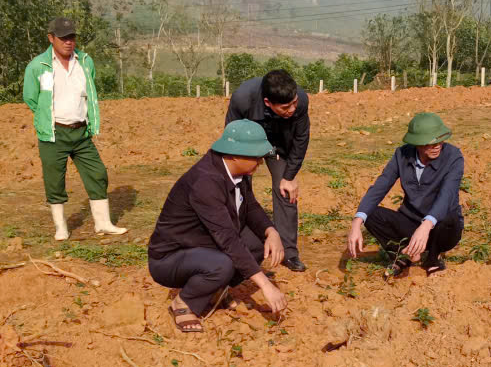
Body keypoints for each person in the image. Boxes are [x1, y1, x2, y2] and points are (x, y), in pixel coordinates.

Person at [148, 120, 286, 332]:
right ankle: (183, 303)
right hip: (171, 257)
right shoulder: (206, 182)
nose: (260, 162)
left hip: (202, 246)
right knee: (222, 264)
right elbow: (228, 239)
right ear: (233, 154)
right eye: (255, 156)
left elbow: (250, 207)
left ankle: (214, 290)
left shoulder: (239, 172)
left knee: (258, 243)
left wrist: (271, 231)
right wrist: (265, 285)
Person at [23, 17, 127, 241]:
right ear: (51, 38)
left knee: (97, 173)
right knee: (55, 180)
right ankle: (61, 227)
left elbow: (89, 92)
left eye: (71, 37)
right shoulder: (37, 66)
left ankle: (103, 223)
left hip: (81, 132)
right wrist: (47, 117)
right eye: (63, 38)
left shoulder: (85, 62)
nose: (68, 42)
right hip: (54, 133)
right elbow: (31, 98)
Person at [346, 112, 464, 276]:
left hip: (441, 228)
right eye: (432, 142)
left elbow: (447, 195)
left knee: (449, 217)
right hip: (410, 223)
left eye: (440, 140)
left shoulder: (453, 156)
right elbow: (380, 186)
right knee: (370, 213)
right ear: (418, 143)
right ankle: (405, 254)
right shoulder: (402, 155)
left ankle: (432, 258)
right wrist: (356, 223)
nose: (438, 145)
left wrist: (426, 225)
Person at [226, 68, 310, 271]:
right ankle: (241, 246)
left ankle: (288, 252)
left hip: (279, 146)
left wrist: (289, 176)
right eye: (285, 107)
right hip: (247, 145)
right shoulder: (242, 99)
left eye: (293, 104)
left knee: (285, 189)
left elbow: (301, 139)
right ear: (267, 103)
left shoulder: (300, 100)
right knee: (240, 192)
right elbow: (232, 136)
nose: (292, 109)